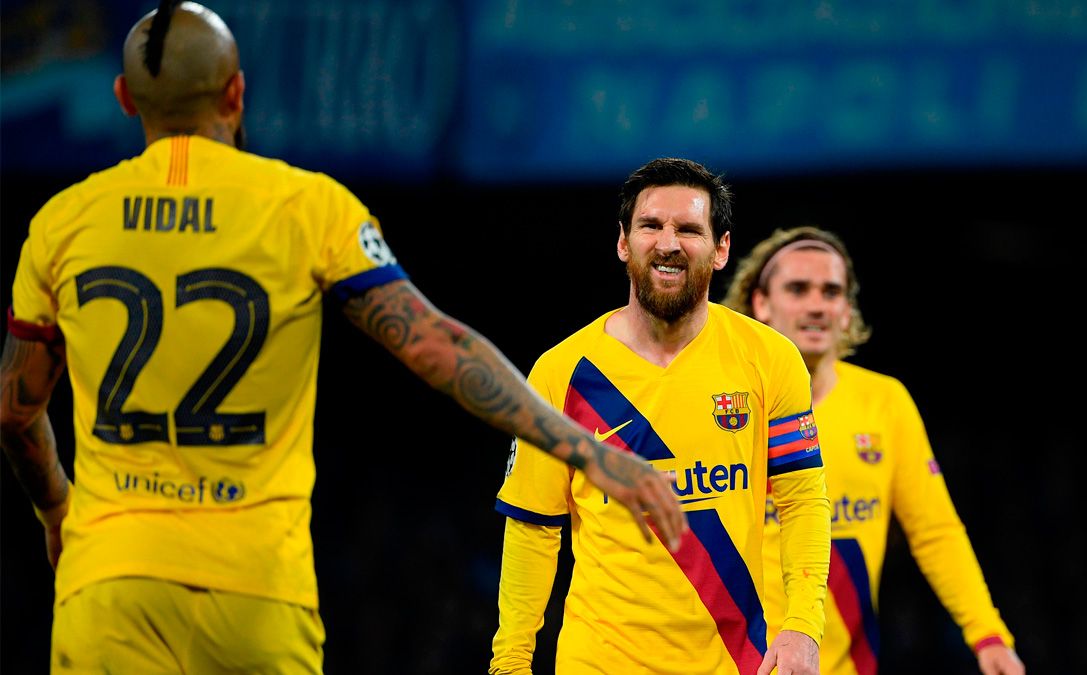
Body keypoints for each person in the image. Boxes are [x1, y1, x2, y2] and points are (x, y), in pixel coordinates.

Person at [0, 3, 685, 673]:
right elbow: (436, 345)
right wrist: (587, 451)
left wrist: (57, 507)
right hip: (256, 593)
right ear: (236, 92)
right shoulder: (305, 206)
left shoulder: (63, 222)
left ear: (124, 98)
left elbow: (16, 413)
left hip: (108, 583)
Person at [489, 158, 832, 675]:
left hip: (733, 661)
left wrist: (803, 626)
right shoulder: (560, 373)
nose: (668, 243)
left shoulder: (770, 359)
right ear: (623, 242)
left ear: (721, 249)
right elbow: (532, 526)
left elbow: (802, 500)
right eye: (650, 225)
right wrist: (510, 662)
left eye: (689, 229)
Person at [720, 226, 1024, 675]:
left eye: (831, 292)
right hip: (737, 662)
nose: (817, 305)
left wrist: (988, 635)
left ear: (847, 311)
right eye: (798, 289)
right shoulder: (726, 405)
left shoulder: (885, 403)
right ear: (761, 304)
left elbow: (935, 531)